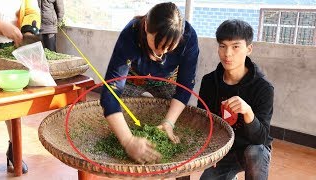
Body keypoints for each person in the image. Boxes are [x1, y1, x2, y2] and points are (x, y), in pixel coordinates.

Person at [100, 2, 199, 164]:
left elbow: (185, 86)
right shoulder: (131, 33)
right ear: (146, 26)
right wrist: (128, 141)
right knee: (113, 119)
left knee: (181, 120)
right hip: (134, 78)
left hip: (165, 80)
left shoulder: (189, 37)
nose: (161, 53)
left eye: (169, 47)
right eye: (157, 44)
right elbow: (111, 92)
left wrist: (168, 123)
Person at [197, 19, 274, 180]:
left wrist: (248, 113)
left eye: (235, 46)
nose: (227, 53)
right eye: (222, 46)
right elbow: (205, 122)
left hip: (251, 148)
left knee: (256, 153)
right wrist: (211, 150)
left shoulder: (263, 88)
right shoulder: (209, 82)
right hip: (223, 151)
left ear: (249, 49)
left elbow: (261, 138)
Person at [0, 0, 41, 174]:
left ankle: (14, 149)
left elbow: (31, 10)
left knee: (12, 102)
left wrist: (28, 31)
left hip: (9, 52)